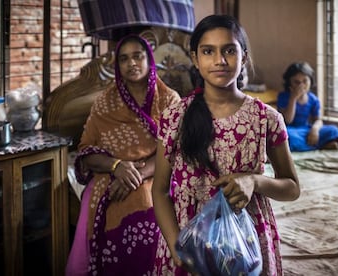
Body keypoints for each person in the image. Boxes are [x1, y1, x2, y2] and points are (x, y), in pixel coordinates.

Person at [152, 14, 300, 276]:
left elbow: (291, 188)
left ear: (243, 56)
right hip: (189, 238)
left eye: (229, 50)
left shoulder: (266, 118)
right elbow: (160, 190)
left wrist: (255, 181)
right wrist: (177, 248)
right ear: (195, 59)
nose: (220, 60)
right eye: (208, 51)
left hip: (246, 239)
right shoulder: (174, 117)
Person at [65, 34, 181, 275]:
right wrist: (117, 166)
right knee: (114, 200)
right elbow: (86, 150)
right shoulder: (104, 103)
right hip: (111, 175)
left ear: (149, 60)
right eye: (124, 59)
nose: (131, 64)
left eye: (138, 56)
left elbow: (175, 149)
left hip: (157, 172)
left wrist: (136, 175)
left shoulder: (169, 99)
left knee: (149, 203)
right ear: (117, 66)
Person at [277, 61, 338, 152]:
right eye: (296, 82)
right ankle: (320, 145)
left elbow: (318, 120)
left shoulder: (313, 99)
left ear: (310, 81)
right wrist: (293, 98)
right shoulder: (283, 97)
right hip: (291, 130)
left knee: (333, 130)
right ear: (289, 83)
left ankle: (313, 144)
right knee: (286, 136)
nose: (301, 85)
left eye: (305, 81)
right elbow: (287, 120)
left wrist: (315, 130)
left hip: (306, 129)